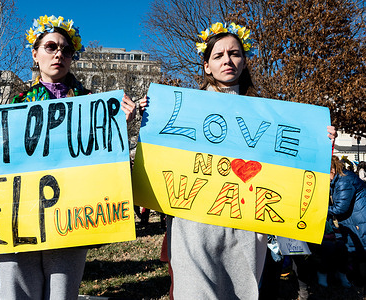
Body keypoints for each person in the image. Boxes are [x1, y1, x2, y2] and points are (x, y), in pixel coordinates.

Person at [0, 15, 138, 300]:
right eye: (51, 47)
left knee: (62, 295)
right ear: (35, 53)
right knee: (16, 292)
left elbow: (106, 157)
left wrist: (121, 121)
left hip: (71, 220)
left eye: (66, 50)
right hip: (17, 221)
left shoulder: (94, 104)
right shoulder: (15, 103)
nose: (59, 54)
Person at [137, 22, 338, 299]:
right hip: (193, 228)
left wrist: (318, 140)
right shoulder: (179, 109)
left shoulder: (271, 116)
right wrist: (149, 117)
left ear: (244, 62)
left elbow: (287, 171)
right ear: (206, 65)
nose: (227, 60)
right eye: (218, 55)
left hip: (245, 228)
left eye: (234, 53)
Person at [329, 155, 366, 287]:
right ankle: (357, 282)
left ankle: (360, 283)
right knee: (356, 252)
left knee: (361, 252)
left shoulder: (344, 180)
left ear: (332, 170)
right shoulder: (338, 180)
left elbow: (340, 208)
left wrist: (320, 209)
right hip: (353, 221)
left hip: (359, 221)